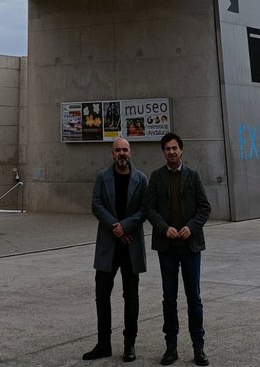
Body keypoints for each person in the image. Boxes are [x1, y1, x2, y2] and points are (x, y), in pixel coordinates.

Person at [144, 132, 211, 366]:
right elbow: (149, 209)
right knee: (169, 299)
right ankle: (170, 347)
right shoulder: (156, 177)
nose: (171, 152)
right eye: (167, 149)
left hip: (190, 247)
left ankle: (198, 348)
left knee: (194, 298)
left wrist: (191, 227)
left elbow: (205, 208)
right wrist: (164, 228)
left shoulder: (193, 176)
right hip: (167, 248)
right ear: (163, 152)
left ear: (181, 150)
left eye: (175, 148)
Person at [83, 137, 148, 363]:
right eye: (118, 150)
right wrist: (116, 227)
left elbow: (144, 208)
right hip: (108, 247)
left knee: (131, 297)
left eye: (125, 150)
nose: (122, 153)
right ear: (112, 154)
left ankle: (130, 344)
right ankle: (103, 344)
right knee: (102, 296)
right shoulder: (102, 177)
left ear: (130, 153)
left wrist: (126, 226)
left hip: (131, 247)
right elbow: (96, 204)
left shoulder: (141, 179)